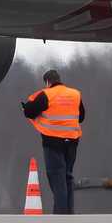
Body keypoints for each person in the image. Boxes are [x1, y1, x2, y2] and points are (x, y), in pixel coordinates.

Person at [22, 68, 85, 214]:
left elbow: (29, 112)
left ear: (47, 82)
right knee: (68, 176)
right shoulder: (75, 94)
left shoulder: (46, 95)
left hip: (53, 143)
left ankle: (60, 214)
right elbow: (81, 117)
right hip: (72, 142)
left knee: (57, 178)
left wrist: (26, 106)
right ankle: (69, 212)